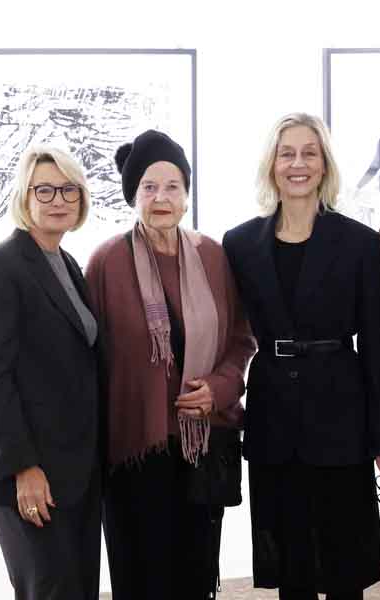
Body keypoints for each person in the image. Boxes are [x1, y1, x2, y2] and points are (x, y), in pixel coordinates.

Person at [222, 113, 380, 600]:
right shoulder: (239, 245)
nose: (297, 164)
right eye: (287, 153)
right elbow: (229, 335)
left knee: (344, 569)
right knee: (292, 570)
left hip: (341, 418)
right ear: (272, 165)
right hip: (273, 420)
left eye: (309, 153)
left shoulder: (360, 243)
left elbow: (376, 346)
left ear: (324, 165)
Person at [85, 129, 255, 599]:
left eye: (172, 186)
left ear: (186, 195)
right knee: (142, 577)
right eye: (149, 187)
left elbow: (241, 339)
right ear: (133, 196)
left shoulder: (213, 256)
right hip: (133, 450)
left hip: (201, 445)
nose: (161, 198)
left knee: (195, 575)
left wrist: (220, 388)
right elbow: (86, 360)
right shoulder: (106, 262)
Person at [0, 145, 101, 599]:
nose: (57, 200)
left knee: (78, 588)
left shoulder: (67, 263)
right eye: (44, 189)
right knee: (49, 589)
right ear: (24, 196)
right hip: (28, 471)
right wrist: (24, 469)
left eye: (68, 189)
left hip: (73, 467)